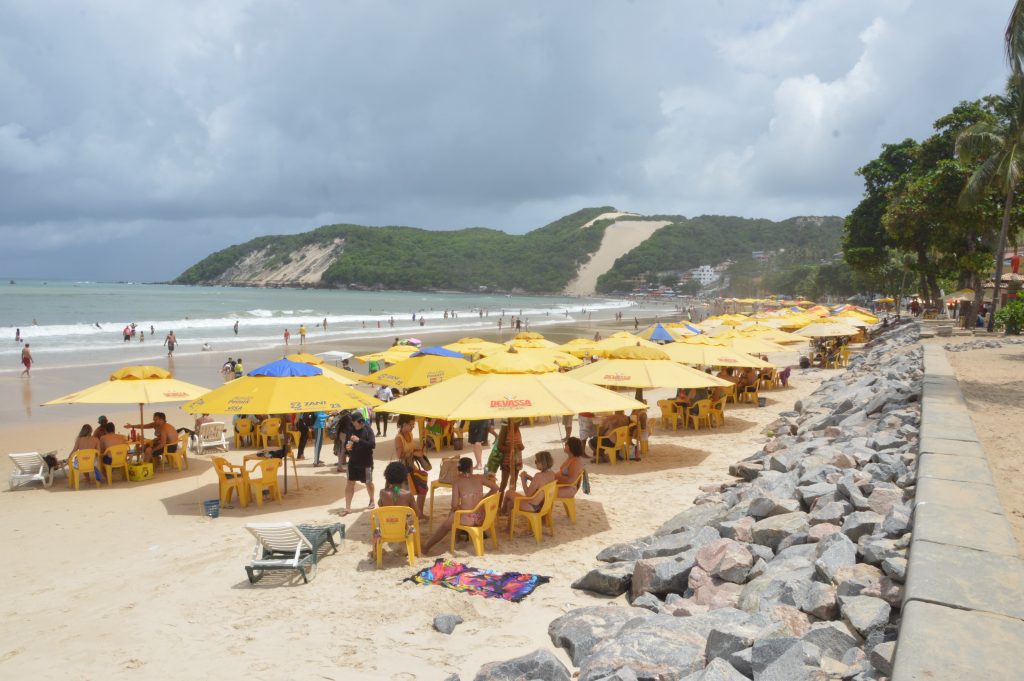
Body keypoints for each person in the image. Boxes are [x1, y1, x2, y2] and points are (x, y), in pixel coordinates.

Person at [421, 457, 498, 553]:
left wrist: (458, 508)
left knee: (448, 521)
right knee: (455, 513)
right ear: (471, 468)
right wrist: (483, 500)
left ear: (459, 469)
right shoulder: (479, 478)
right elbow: (495, 488)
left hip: (468, 519)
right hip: (483, 518)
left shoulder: (457, 482)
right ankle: (456, 538)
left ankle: (426, 547)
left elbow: (454, 505)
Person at [394, 415, 428, 519]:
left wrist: (418, 450)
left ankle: (419, 513)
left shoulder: (410, 434)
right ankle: (410, 514)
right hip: (403, 469)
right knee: (406, 493)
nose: (413, 426)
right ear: (404, 424)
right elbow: (400, 456)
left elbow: (411, 448)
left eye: (413, 424)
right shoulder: (398, 438)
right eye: (411, 424)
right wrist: (414, 453)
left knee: (423, 488)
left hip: (412, 466)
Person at [341, 413, 376, 515]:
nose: (361, 422)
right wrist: (347, 448)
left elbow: (372, 445)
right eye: (358, 421)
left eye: (361, 420)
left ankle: (372, 500)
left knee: (368, 482)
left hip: (366, 462)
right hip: (353, 462)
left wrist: (359, 440)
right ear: (353, 422)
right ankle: (347, 507)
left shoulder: (368, 430)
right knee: (350, 483)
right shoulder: (350, 431)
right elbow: (346, 445)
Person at [495, 418, 525, 506]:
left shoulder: (518, 430)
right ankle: (499, 505)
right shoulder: (505, 429)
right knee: (503, 484)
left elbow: (521, 446)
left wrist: (521, 447)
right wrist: (511, 449)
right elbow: (499, 447)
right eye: (518, 422)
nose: (519, 424)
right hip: (507, 461)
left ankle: (509, 505)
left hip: (517, 461)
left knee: (513, 484)